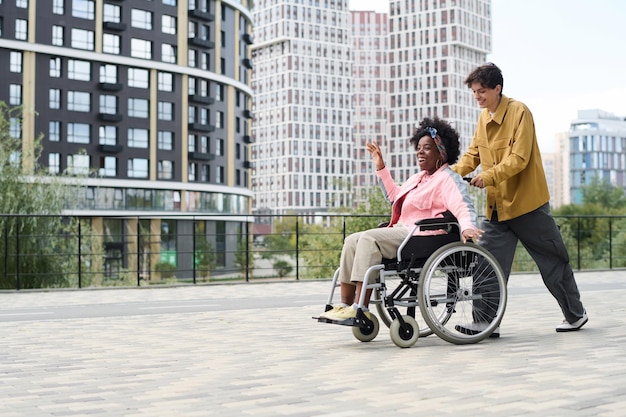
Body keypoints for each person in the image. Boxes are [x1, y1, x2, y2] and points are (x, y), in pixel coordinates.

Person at [452, 62, 588, 334]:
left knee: (552, 261)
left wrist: (487, 177)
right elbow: (473, 154)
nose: (477, 97)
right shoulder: (484, 119)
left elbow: (519, 159)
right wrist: (449, 175)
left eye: (482, 92)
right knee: (486, 266)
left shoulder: (519, 112)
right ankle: (485, 323)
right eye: (475, 92)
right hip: (497, 209)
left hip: (528, 206)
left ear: (497, 88)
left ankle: (575, 315)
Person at [321, 116, 483, 321]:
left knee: (369, 239)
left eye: (426, 148)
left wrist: (468, 227)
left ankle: (359, 307)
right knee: (352, 239)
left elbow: (462, 205)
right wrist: (381, 168)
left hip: (424, 236)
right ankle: (344, 305)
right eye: (418, 147)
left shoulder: (447, 179)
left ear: (441, 152)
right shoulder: (418, 178)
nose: (419, 152)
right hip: (406, 232)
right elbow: (395, 198)